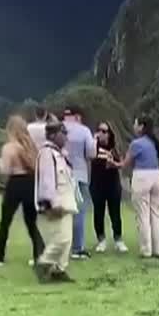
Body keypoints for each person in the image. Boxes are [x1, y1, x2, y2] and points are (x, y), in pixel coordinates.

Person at [0, 115, 46, 267]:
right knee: (31, 222)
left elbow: (5, 170)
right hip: (30, 183)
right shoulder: (30, 147)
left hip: (15, 183)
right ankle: (40, 253)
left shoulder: (9, 147)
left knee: (5, 221)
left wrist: (0, 163)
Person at [33, 120, 78, 283]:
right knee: (61, 239)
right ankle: (44, 263)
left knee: (67, 240)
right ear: (52, 135)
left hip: (66, 202)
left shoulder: (60, 154)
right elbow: (47, 180)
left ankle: (59, 270)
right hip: (56, 204)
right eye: (62, 133)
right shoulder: (47, 154)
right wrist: (49, 204)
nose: (65, 137)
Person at [124, 116, 159, 258]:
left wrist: (114, 163)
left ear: (141, 127)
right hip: (156, 176)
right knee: (156, 213)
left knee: (143, 215)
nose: (134, 126)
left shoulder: (136, 144)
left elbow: (125, 163)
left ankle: (146, 249)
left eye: (135, 123)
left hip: (142, 177)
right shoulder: (154, 143)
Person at [62, 106, 97, 260]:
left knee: (61, 211)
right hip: (79, 174)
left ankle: (60, 246)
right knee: (78, 211)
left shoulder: (58, 129)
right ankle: (77, 248)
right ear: (78, 116)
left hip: (60, 174)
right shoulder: (83, 130)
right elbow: (91, 153)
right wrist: (94, 141)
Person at [90, 121, 128, 253]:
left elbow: (122, 163)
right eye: (99, 130)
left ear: (110, 134)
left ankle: (118, 240)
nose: (101, 133)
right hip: (97, 183)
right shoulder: (93, 146)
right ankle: (101, 240)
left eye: (104, 131)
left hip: (113, 184)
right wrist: (93, 142)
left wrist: (114, 164)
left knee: (115, 213)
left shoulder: (115, 147)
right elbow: (88, 157)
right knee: (98, 213)